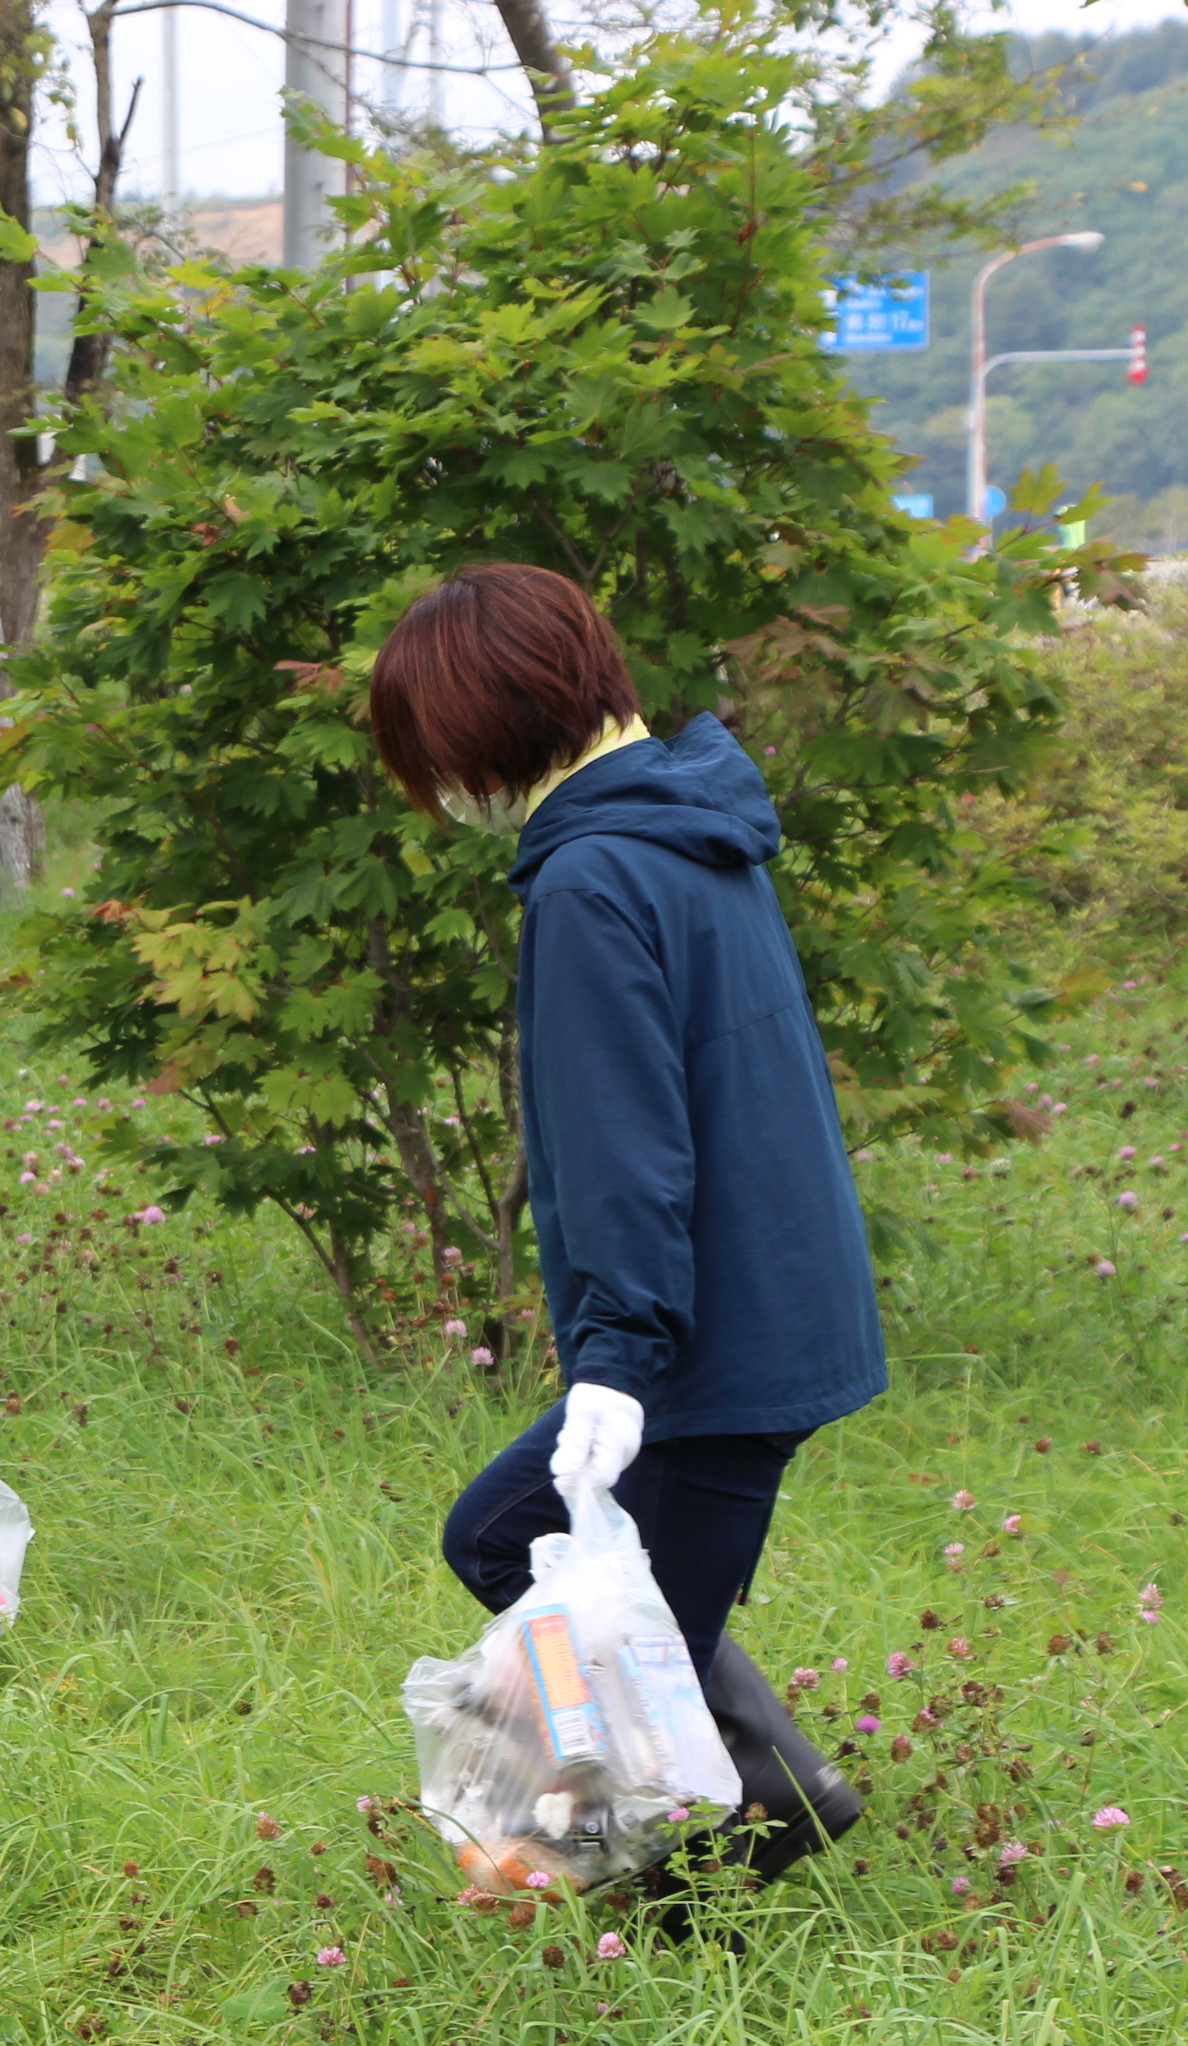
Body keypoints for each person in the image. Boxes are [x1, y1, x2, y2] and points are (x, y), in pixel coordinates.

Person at [368, 561, 877, 1890]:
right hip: (767, 1302)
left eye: (434, 753)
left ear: (488, 722)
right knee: (514, 1544)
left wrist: (617, 1358)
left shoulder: (596, 878)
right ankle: (757, 1788)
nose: (443, 788)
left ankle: (687, 1871)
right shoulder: (690, 826)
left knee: (620, 1670)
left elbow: (623, 1150)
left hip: (716, 1341)